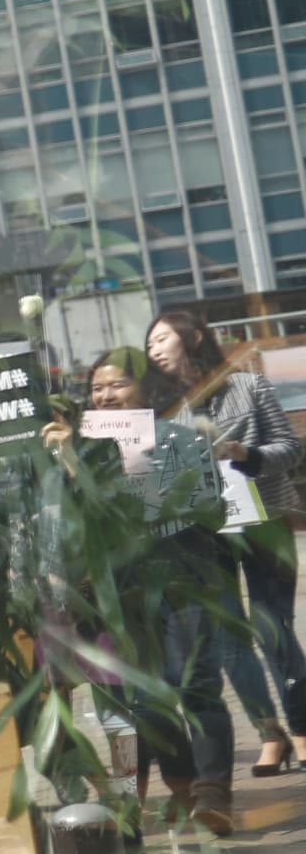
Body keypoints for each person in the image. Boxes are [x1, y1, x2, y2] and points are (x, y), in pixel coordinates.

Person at [45, 352, 241, 832]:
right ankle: (134, 801)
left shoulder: (182, 438)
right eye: (97, 388)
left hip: (185, 579)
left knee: (195, 686)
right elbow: (67, 525)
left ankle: (212, 792)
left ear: (146, 392)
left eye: (118, 385)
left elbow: (203, 504)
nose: (105, 395)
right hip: (118, 593)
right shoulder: (77, 450)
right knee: (135, 701)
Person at [144, 306, 306, 775]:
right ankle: (269, 733)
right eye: (149, 342)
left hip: (263, 518)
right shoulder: (160, 409)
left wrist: (244, 453)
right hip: (203, 532)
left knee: (271, 625)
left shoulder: (248, 386)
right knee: (229, 638)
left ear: (193, 336)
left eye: (161, 337)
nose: (153, 347)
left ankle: (301, 725)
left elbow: (289, 450)